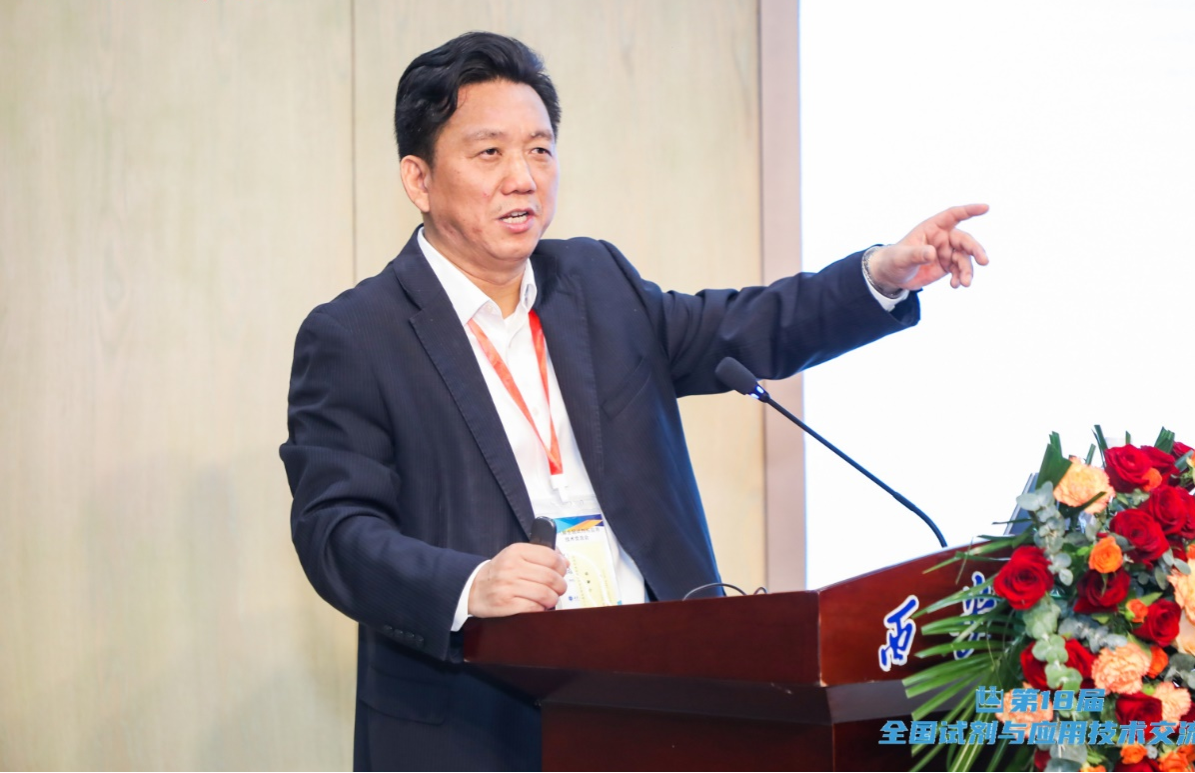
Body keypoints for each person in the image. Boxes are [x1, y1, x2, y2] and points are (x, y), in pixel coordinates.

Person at [280, 31, 988, 773]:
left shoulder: (595, 280)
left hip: (657, 699)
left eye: (540, 150)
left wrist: (880, 276)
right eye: (489, 153)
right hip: (475, 719)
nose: (523, 178)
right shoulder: (357, 334)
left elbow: (740, 326)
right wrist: (469, 583)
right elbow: (335, 529)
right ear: (419, 179)